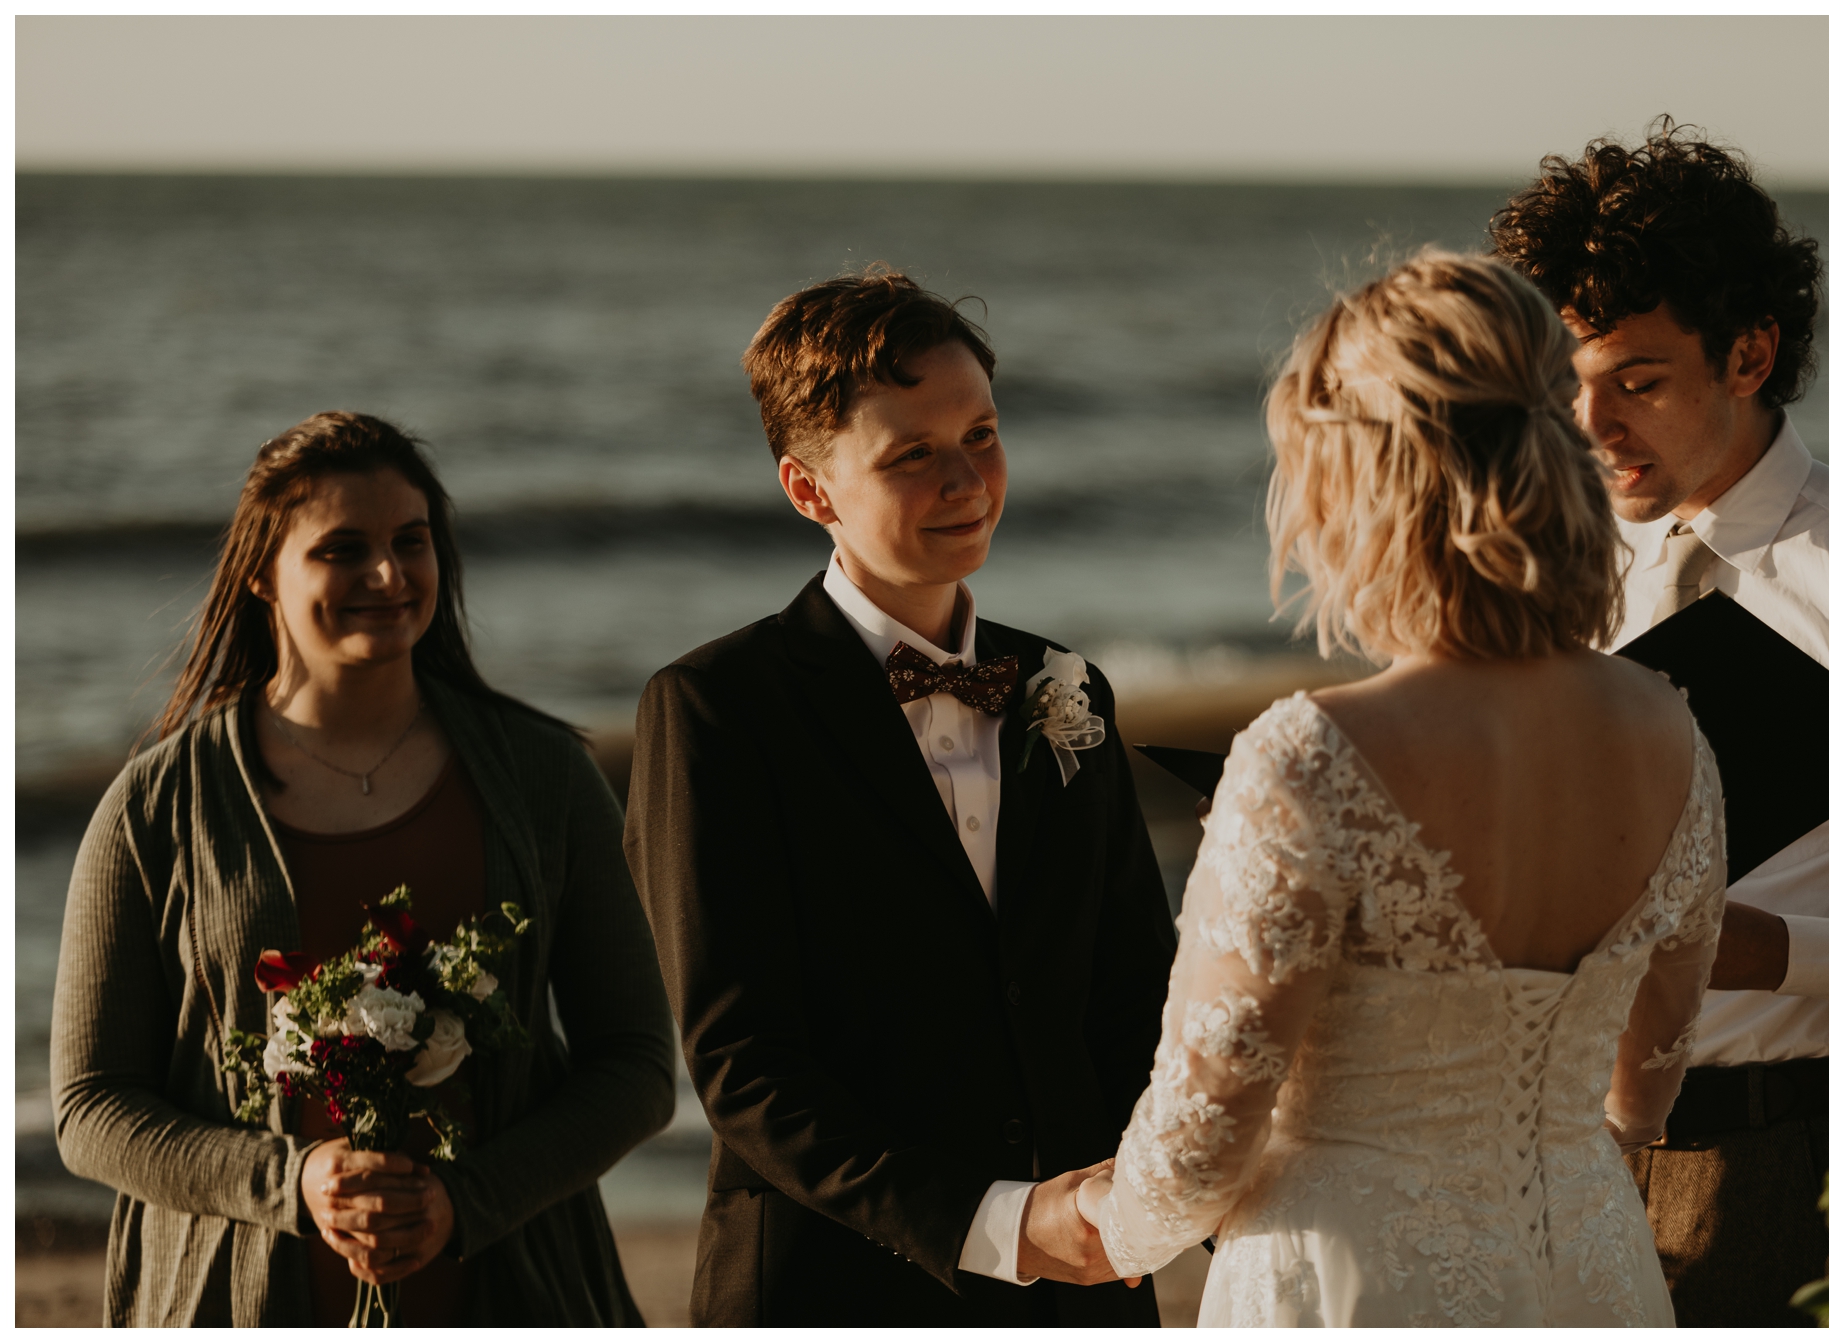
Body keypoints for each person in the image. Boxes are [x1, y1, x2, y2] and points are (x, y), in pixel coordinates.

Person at [1073, 252, 1727, 1327]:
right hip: (1591, 1263)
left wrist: (1100, 1222)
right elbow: (1642, 1089)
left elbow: (1204, 1129)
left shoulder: (1311, 754)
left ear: (1359, 488)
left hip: (1353, 1278)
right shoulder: (1673, 732)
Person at [1490, 119, 1829, 1325]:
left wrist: (1788, 952)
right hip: (1539, 1158)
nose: (1592, 426)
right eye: (1568, 385)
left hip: (1782, 1160)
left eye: (1638, 382)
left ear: (1750, 352)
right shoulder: (1547, 569)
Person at [623, 270, 1176, 1326]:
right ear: (809, 489)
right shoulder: (712, 709)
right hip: (834, 1283)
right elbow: (744, 1069)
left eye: (980, 433)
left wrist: (1146, 1199)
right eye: (911, 455)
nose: (964, 479)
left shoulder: (1066, 687)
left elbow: (1132, 995)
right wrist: (999, 1224)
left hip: (1083, 1288)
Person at [50, 411, 678, 1326]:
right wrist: (289, 1177)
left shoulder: (544, 777)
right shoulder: (158, 806)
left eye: (410, 542)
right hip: (237, 1298)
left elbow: (637, 1065)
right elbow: (90, 1105)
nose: (387, 575)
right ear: (263, 573)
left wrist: (471, 1197)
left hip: (515, 1290)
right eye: (343, 549)